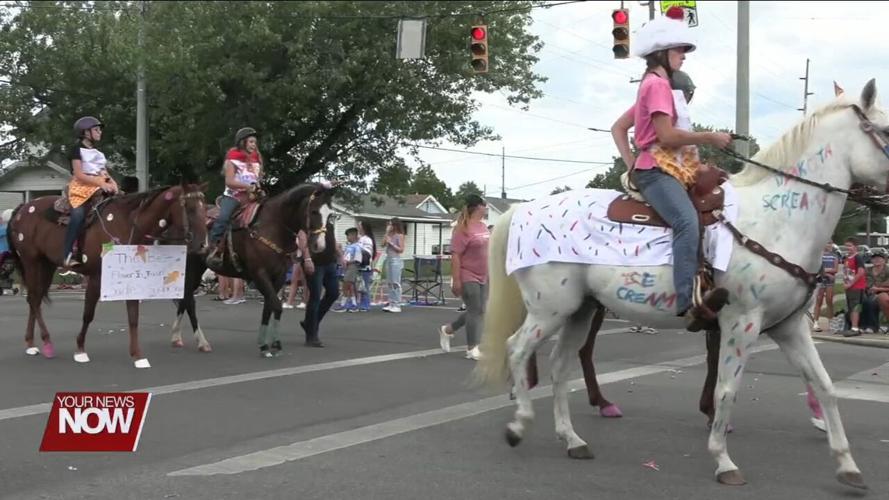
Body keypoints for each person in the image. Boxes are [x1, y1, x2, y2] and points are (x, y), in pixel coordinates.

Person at [610, 16, 732, 331]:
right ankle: (687, 303)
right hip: (656, 172)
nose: (684, 55)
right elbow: (666, 136)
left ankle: (706, 280)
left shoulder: (654, 85)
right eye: (679, 49)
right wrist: (709, 137)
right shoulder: (657, 85)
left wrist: (631, 161)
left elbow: (619, 128)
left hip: (664, 169)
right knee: (686, 222)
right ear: (661, 52)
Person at [62, 116, 119, 267]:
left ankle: (112, 248)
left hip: (100, 184)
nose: (100, 132)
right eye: (96, 129)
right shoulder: (76, 150)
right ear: (86, 133)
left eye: (99, 129)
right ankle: (68, 253)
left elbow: (103, 172)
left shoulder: (98, 153)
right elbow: (79, 174)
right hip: (82, 186)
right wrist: (100, 182)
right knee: (78, 215)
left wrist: (113, 183)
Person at [438, 195, 490, 360]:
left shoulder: (483, 226)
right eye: (484, 205)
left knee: (479, 311)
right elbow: (456, 256)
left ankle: (448, 329)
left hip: (483, 274)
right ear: (477, 207)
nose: (486, 208)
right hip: (468, 274)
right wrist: (456, 280)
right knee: (475, 310)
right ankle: (472, 348)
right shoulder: (463, 229)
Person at [208, 127, 263, 258]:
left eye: (255, 142)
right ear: (242, 142)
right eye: (251, 142)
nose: (254, 145)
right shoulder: (232, 158)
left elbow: (256, 179)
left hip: (252, 196)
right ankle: (213, 246)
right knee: (224, 217)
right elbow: (230, 181)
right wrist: (247, 187)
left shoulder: (256, 159)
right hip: (234, 196)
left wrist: (258, 188)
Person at [300, 215, 341, 348]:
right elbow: (302, 237)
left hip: (330, 262)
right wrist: (307, 259)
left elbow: (331, 237)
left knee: (334, 293)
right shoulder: (309, 216)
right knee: (315, 296)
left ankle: (310, 322)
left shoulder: (327, 216)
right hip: (315, 263)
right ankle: (311, 336)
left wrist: (340, 254)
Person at [842, 237, 867, 336]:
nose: (848, 248)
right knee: (850, 307)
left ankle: (855, 327)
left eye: (850, 246)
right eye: (846, 246)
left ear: (855, 247)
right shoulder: (847, 258)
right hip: (849, 287)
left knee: (855, 307)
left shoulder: (858, 257)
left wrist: (850, 284)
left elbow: (861, 272)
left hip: (856, 287)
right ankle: (852, 326)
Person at [861, 248, 889, 333]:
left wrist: (878, 289)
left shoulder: (887, 270)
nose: (876, 260)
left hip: (884, 292)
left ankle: (873, 327)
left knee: (871, 302)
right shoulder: (867, 270)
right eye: (874, 258)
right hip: (869, 292)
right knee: (862, 300)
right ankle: (862, 325)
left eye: (879, 258)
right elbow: (862, 282)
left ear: (884, 260)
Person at [813, 242, 839, 332]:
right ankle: (816, 322)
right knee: (819, 300)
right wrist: (826, 273)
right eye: (827, 243)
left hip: (830, 281)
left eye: (830, 243)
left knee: (829, 300)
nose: (828, 245)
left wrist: (826, 271)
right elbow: (818, 268)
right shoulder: (820, 255)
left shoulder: (834, 256)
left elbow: (836, 269)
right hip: (821, 279)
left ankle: (831, 321)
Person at [382, 218, 405, 313]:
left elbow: (401, 249)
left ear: (395, 225)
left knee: (395, 282)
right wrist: (386, 233)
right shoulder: (389, 235)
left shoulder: (399, 235)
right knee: (390, 282)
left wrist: (391, 243)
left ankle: (397, 304)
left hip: (396, 260)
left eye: (391, 224)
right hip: (388, 259)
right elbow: (382, 244)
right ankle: (391, 302)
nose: (389, 226)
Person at [284, 230, 309, 310]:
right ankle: (290, 302)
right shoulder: (297, 233)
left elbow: (303, 246)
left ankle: (304, 301)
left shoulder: (303, 233)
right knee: (295, 280)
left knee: (304, 281)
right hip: (298, 258)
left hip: (303, 258)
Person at [356, 220, 377, 312]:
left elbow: (367, 252)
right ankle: (361, 303)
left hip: (365, 266)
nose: (358, 228)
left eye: (360, 226)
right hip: (360, 265)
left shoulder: (367, 239)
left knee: (365, 286)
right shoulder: (361, 238)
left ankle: (366, 304)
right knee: (361, 285)